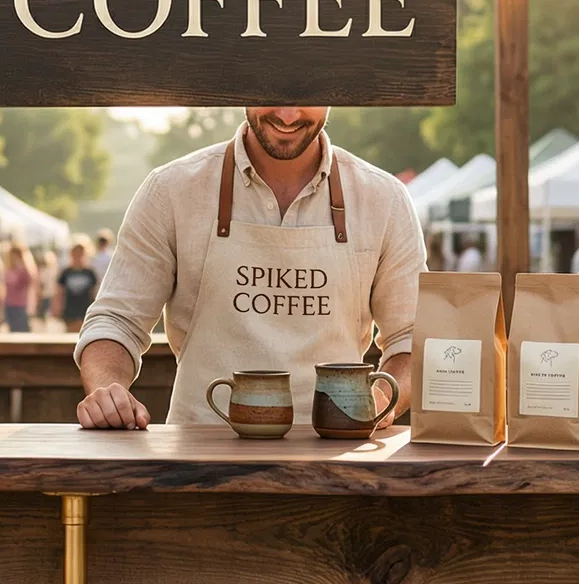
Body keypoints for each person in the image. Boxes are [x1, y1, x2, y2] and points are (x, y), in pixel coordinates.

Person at [76, 107, 424, 428]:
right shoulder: (171, 190)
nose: (288, 115)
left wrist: (380, 403)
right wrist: (109, 389)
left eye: (306, 96)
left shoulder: (384, 199)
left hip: (335, 459)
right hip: (196, 456)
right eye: (271, 92)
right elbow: (116, 321)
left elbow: (412, 338)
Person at [56, 241, 100, 332]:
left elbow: (94, 292)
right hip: (70, 310)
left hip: (85, 310)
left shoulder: (90, 272)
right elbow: (60, 292)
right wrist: (57, 307)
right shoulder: (66, 272)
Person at [2, 241, 37, 332]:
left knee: (22, 331)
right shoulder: (8, 269)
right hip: (9, 304)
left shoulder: (25, 270)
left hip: (22, 305)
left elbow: (29, 280)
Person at [34, 248, 59, 325]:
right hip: (48, 294)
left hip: (46, 294)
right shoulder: (51, 270)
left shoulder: (45, 271)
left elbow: (42, 283)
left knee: (44, 311)